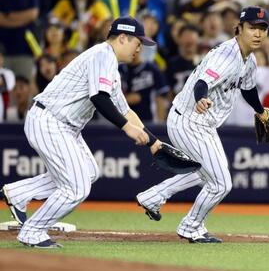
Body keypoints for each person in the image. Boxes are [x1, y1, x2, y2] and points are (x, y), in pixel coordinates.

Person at [0, 16, 162, 248]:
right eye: (138, 42)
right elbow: (99, 98)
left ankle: (18, 194)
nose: (140, 48)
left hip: (64, 126)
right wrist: (127, 129)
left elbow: (126, 112)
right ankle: (32, 231)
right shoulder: (102, 54)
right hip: (50, 120)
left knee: (88, 172)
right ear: (123, 37)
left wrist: (154, 142)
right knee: (77, 187)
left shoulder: (110, 66)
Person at [136, 6, 269, 243]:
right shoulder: (226, 55)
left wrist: (260, 112)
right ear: (238, 29)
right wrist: (201, 98)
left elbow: (249, 89)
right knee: (221, 183)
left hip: (199, 122)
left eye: (263, 28)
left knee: (204, 174)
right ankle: (191, 226)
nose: (258, 33)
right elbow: (202, 81)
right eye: (252, 27)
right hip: (190, 120)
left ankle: (153, 196)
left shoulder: (249, 59)